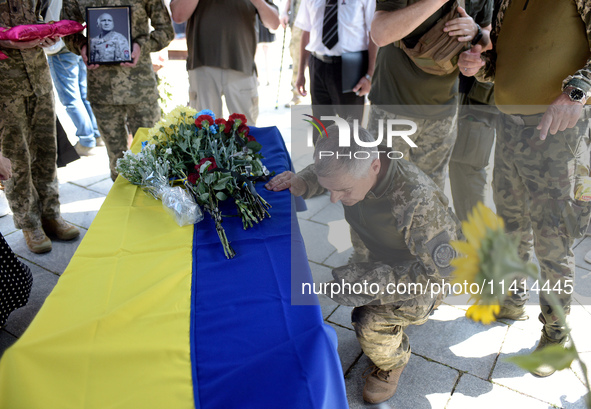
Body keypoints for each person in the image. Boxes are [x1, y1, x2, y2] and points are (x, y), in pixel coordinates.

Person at [265, 124, 462, 404]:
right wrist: (304, 182)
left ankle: (393, 362)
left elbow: (444, 274)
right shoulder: (355, 165)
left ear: (375, 166)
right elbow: (334, 171)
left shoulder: (418, 202)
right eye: (332, 190)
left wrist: (370, 280)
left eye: (343, 191)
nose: (334, 199)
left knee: (367, 318)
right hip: (384, 252)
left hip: (427, 273)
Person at [458, 0, 591, 377]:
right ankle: (512, 299)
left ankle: (556, 333)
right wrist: (480, 66)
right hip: (511, 127)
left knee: (553, 238)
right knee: (511, 222)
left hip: (558, 136)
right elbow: (502, 62)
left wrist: (576, 93)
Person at [368, 0, 493, 190]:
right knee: (380, 192)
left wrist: (476, 33)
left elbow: (488, 38)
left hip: (443, 112)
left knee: (430, 197)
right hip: (393, 107)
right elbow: (381, 33)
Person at [61, 0, 174, 181]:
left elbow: (165, 30)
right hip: (102, 89)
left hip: (139, 87)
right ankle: (122, 206)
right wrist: (82, 46)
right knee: (118, 162)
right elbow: (68, 30)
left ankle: (155, 204)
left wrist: (140, 47)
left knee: (154, 153)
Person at [0, 0, 80, 254]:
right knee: (16, 156)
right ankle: (29, 223)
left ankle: (51, 215)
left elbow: (41, 14)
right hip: (5, 81)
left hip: (38, 75)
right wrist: (5, 41)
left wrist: (47, 33)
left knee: (47, 151)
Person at [170, 0, 280, 125]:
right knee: (204, 135)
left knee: (245, 135)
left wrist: (258, 2)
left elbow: (274, 23)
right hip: (203, 67)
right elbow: (178, 15)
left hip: (241, 66)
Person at [294, 0, 377, 140]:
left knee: (351, 132)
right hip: (318, 65)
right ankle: (323, 161)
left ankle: (351, 161)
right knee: (320, 129)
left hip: (351, 67)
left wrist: (369, 76)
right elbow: (306, 32)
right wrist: (300, 72)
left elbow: (374, 35)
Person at [43, 0, 102, 157]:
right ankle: (96, 134)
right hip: (73, 44)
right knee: (82, 93)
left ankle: (86, 141)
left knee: (71, 99)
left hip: (61, 48)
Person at [280, 0, 303, 107]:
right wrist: (285, 12)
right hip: (298, 24)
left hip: (317, 23)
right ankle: (296, 94)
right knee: (297, 61)